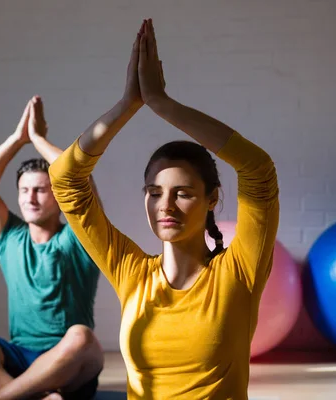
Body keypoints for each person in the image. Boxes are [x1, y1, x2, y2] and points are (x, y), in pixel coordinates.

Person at [48, 19, 280, 399]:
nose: (165, 205)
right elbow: (66, 180)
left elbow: (257, 169)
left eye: (183, 193)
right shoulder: (131, 272)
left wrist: (161, 104)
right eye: (154, 192)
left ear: (212, 199)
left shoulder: (239, 272)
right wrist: (127, 106)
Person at [0, 96, 104, 400]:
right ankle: (30, 396)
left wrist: (39, 139)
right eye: (24, 190)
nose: (30, 198)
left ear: (57, 196)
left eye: (40, 190)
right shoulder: (11, 235)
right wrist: (18, 139)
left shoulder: (79, 237)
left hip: (69, 363)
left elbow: (80, 179)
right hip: (19, 360)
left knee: (82, 337)